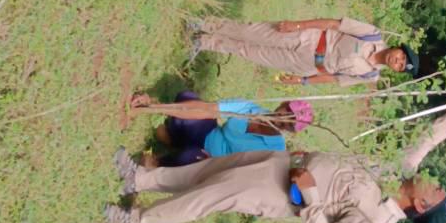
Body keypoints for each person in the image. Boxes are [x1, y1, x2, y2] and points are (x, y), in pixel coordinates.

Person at [103, 89, 446, 223]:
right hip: (282, 161)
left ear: (422, 206)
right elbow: (429, 137)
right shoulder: (399, 169)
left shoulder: (377, 221)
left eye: (436, 190)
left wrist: (310, 194)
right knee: (207, 173)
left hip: (280, 194)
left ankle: (135, 221)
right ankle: (140, 178)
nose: (433, 181)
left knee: (208, 196)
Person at [189, 16, 422, 87]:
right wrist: (298, 25)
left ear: (396, 70)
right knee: (253, 32)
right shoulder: (372, 34)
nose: (397, 61)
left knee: (250, 52)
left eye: (400, 66)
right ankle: (205, 24)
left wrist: (302, 81)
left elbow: (335, 78)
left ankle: (204, 42)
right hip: (309, 38)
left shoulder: (371, 75)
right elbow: (333, 24)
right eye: (401, 57)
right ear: (397, 48)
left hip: (306, 65)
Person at [124, 90, 314, 168]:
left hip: (213, 161)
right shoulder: (251, 109)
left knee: (188, 158)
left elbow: (245, 173)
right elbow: (208, 109)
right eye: (285, 113)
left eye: (288, 124)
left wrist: (214, 165)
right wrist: (153, 107)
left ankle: (156, 163)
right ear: (283, 104)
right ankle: (172, 136)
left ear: (290, 131)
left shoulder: (276, 150)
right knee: (187, 97)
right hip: (209, 134)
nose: (281, 120)